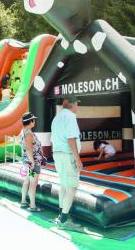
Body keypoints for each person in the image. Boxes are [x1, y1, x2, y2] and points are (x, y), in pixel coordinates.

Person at [51, 95, 83, 230]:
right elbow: (71, 139)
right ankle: (64, 220)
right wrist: (78, 159)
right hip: (67, 154)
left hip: (57, 154)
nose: (78, 106)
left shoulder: (57, 117)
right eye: (77, 104)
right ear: (73, 104)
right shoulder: (70, 117)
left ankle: (61, 215)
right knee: (72, 187)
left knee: (63, 185)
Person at [20, 112, 45, 212]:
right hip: (32, 163)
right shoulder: (29, 133)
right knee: (33, 183)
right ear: (30, 122)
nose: (34, 121)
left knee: (27, 181)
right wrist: (33, 162)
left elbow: (22, 144)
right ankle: (33, 205)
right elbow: (29, 148)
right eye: (33, 120)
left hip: (26, 161)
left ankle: (23, 201)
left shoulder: (22, 132)